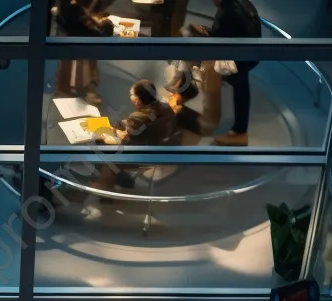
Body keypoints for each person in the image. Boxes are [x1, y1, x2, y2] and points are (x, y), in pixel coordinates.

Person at [186, 0, 261, 146]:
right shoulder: (242, 3)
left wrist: (203, 34)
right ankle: (239, 130)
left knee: (216, 73)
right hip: (249, 54)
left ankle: (234, 130)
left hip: (238, 59)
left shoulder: (227, 11)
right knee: (240, 87)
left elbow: (218, 43)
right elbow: (228, 34)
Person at [90, 79, 176, 193]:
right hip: (159, 148)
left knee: (103, 150)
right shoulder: (166, 108)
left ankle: (104, 188)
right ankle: (120, 178)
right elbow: (147, 126)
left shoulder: (137, 118)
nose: (130, 97)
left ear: (138, 100)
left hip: (142, 155)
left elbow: (126, 146)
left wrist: (110, 139)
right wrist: (129, 127)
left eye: (132, 94)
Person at [53, 0, 113, 106]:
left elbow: (85, 17)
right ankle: (67, 93)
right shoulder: (71, 8)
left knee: (84, 68)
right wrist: (103, 28)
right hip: (74, 40)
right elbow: (81, 20)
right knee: (73, 70)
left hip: (76, 37)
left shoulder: (76, 8)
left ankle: (83, 90)